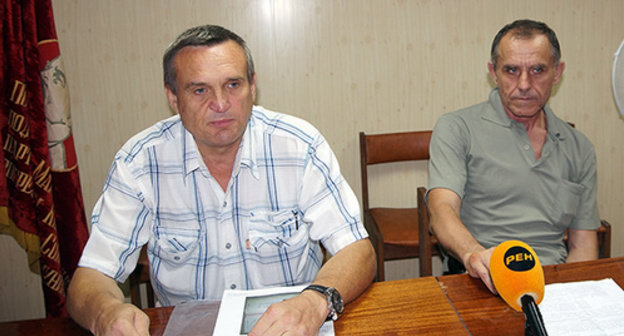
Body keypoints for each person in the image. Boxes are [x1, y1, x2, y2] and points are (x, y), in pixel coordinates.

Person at [67, 24, 376, 336]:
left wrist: (314, 302)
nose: (220, 104)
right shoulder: (139, 163)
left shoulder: (299, 146)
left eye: (232, 85)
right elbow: (91, 277)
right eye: (199, 90)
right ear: (173, 98)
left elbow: (357, 251)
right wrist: (105, 313)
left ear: (252, 86)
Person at [427, 19, 600, 294]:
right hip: (481, 280)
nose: (524, 84)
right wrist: (473, 255)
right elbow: (441, 211)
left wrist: (571, 297)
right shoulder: (457, 128)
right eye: (511, 70)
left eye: (537, 70)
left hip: (552, 283)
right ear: (493, 72)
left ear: (557, 73)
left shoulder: (579, 147)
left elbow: (583, 246)